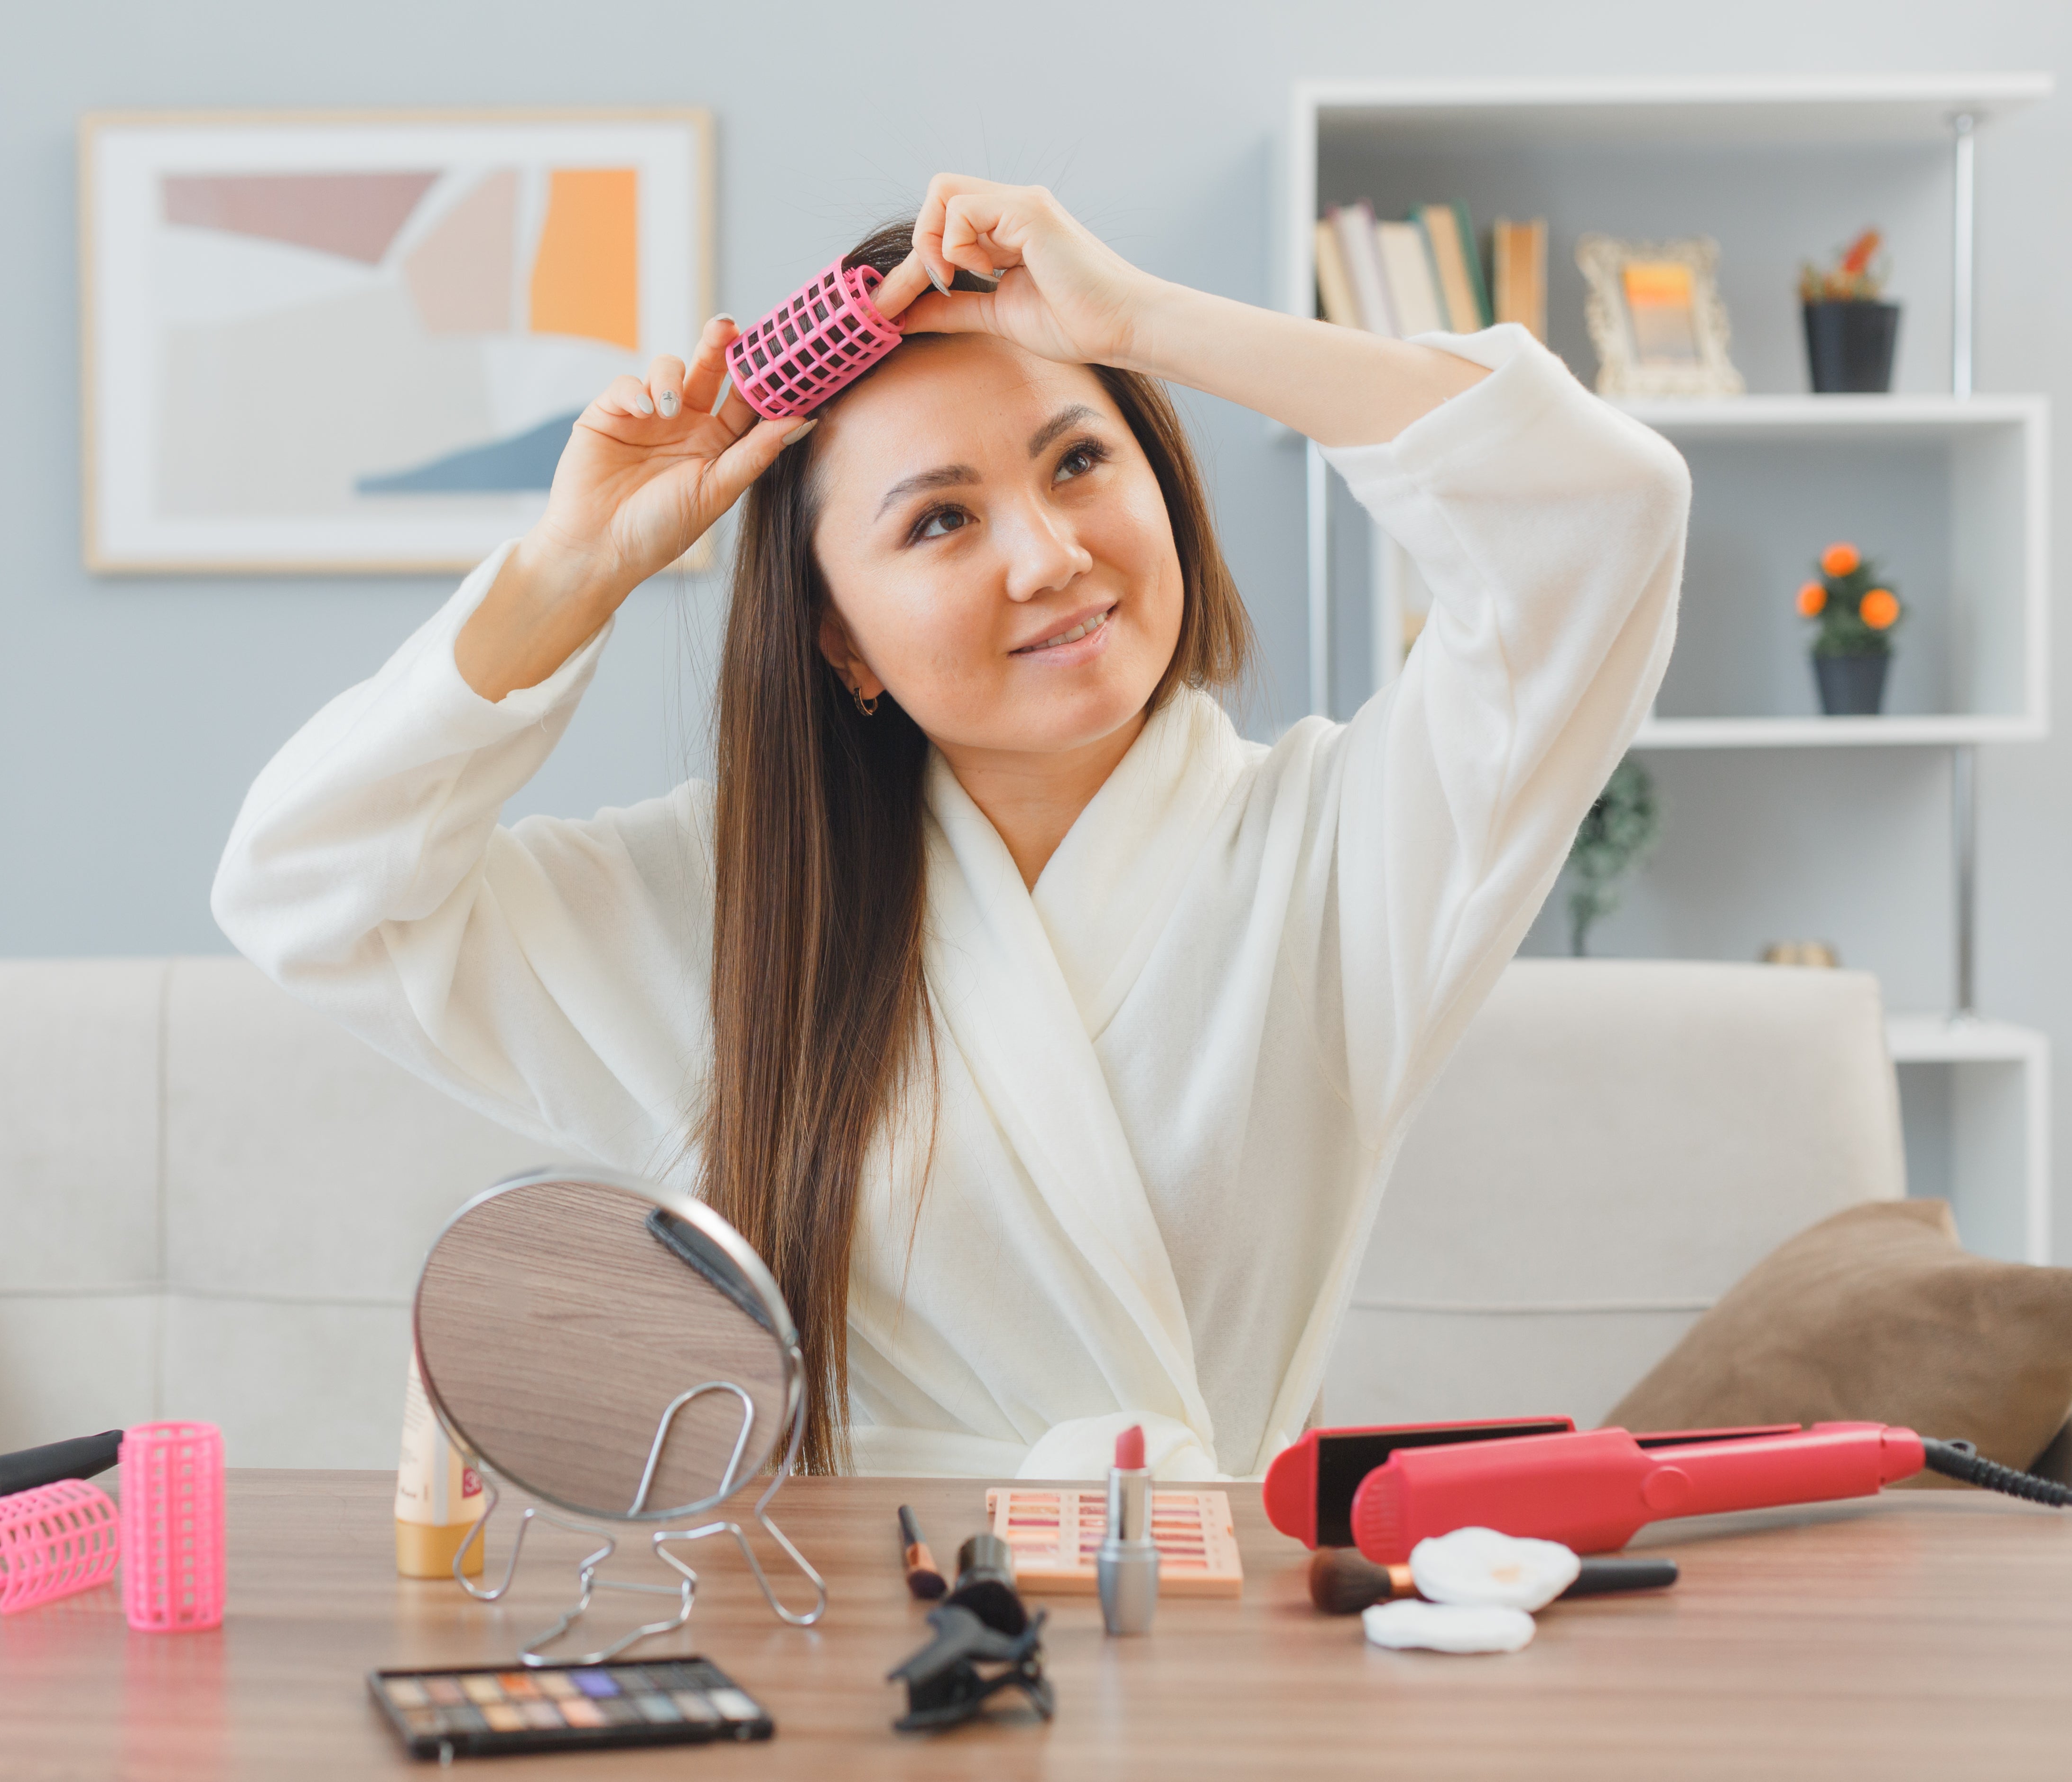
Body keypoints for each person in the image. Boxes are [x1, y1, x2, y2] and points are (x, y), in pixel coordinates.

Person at [214, 176, 1686, 1482]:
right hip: (848, 1630)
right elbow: (308, 890)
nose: (1050, 556)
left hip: (1211, 1626)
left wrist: (1143, 320)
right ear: (841, 640)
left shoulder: (1347, 850)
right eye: (939, 521)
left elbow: (1601, 513)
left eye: (1079, 461)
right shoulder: (733, 905)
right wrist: (569, 570)